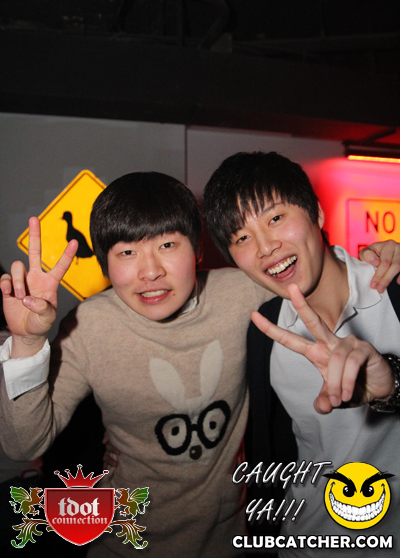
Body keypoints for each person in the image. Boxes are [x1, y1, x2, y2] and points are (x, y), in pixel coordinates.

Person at [0, 171, 397, 557]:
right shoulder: (89, 325)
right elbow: (24, 445)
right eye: (127, 253)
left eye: (167, 245)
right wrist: (28, 342)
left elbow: (304, 265)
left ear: (198, 250)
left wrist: (377, 258)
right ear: (106, 264)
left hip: (230, 541)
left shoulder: (240, 292)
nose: (150, 271)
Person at [203, 152, 400, 557]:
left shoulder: (394, 291)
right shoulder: (263, 334)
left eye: (276, 218)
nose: (266, 247)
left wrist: (392, 384)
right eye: (242, 238)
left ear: (318, 214)